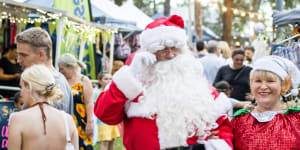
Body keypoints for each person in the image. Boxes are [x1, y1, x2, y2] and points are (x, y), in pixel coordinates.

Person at [94, 15, 233, 150]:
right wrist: (132, 73)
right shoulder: (134, 83)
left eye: (174, 48)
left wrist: (216, 145)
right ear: (150, 52)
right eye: (163, 49)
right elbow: (105, 115)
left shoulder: (196, 83)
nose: (170, 54)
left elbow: (222, 125)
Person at [231, 55, 300, 149]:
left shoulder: (296, 119)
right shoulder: (239, 121)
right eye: (258, 81)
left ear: (283, 85)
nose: (263, 87)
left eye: (270, 81)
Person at [8, 64, 78, 150]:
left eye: (21, 87)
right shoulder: (68, 120)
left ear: (29, 86)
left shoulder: (17, 119)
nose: (21, 93)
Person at [16, 27, 73, 114]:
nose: (18, 60)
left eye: (24, 55)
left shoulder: (52, 86)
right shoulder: (55, 81)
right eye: (18, 55)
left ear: (41, 54)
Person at [58, 53, 94, 150]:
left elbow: (89, 102)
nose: (60, 71)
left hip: (80, 121)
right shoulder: (61, 80)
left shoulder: (84, 80)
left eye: (62, 69)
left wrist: (90, 122)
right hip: (63, 120)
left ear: (70, 67)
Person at [93, 72, 120, 150]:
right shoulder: (96, 92)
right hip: (102, 121)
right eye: (106, 79)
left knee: (112, 140)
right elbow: (95, 107)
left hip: (112, 119)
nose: (108, 81)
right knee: (105, 141)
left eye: (110, 79)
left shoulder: (113, 91)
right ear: (99, 81)